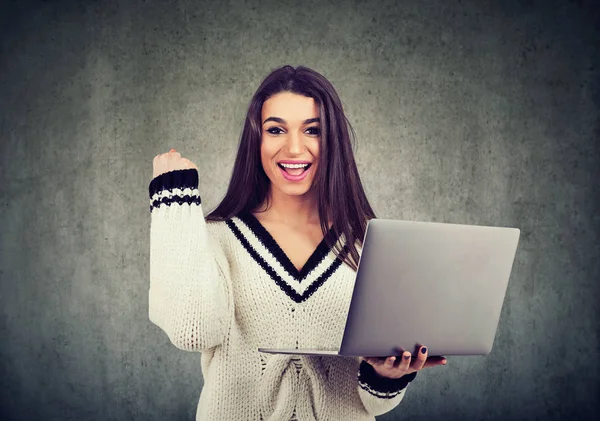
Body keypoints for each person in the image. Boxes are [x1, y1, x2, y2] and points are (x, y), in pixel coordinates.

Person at [148, 65, 446, 421]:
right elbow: (191, 331)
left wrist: (387, 376)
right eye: (275, 129)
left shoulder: (369, 243)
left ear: (333, 140)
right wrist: (173, 197)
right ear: (256, 139)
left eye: (313, 130)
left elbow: (374, 403)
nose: (293, 148)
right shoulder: (216, 237)